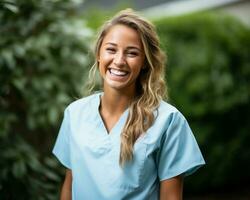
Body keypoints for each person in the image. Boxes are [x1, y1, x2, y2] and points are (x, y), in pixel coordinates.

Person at [52, 8, 205, 200]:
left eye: (132, 53)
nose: (119, 61)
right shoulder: (75, 114)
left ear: (145, 63)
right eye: (111, 49)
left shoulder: (168, 121)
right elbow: (69, 186)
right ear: (99, 53)